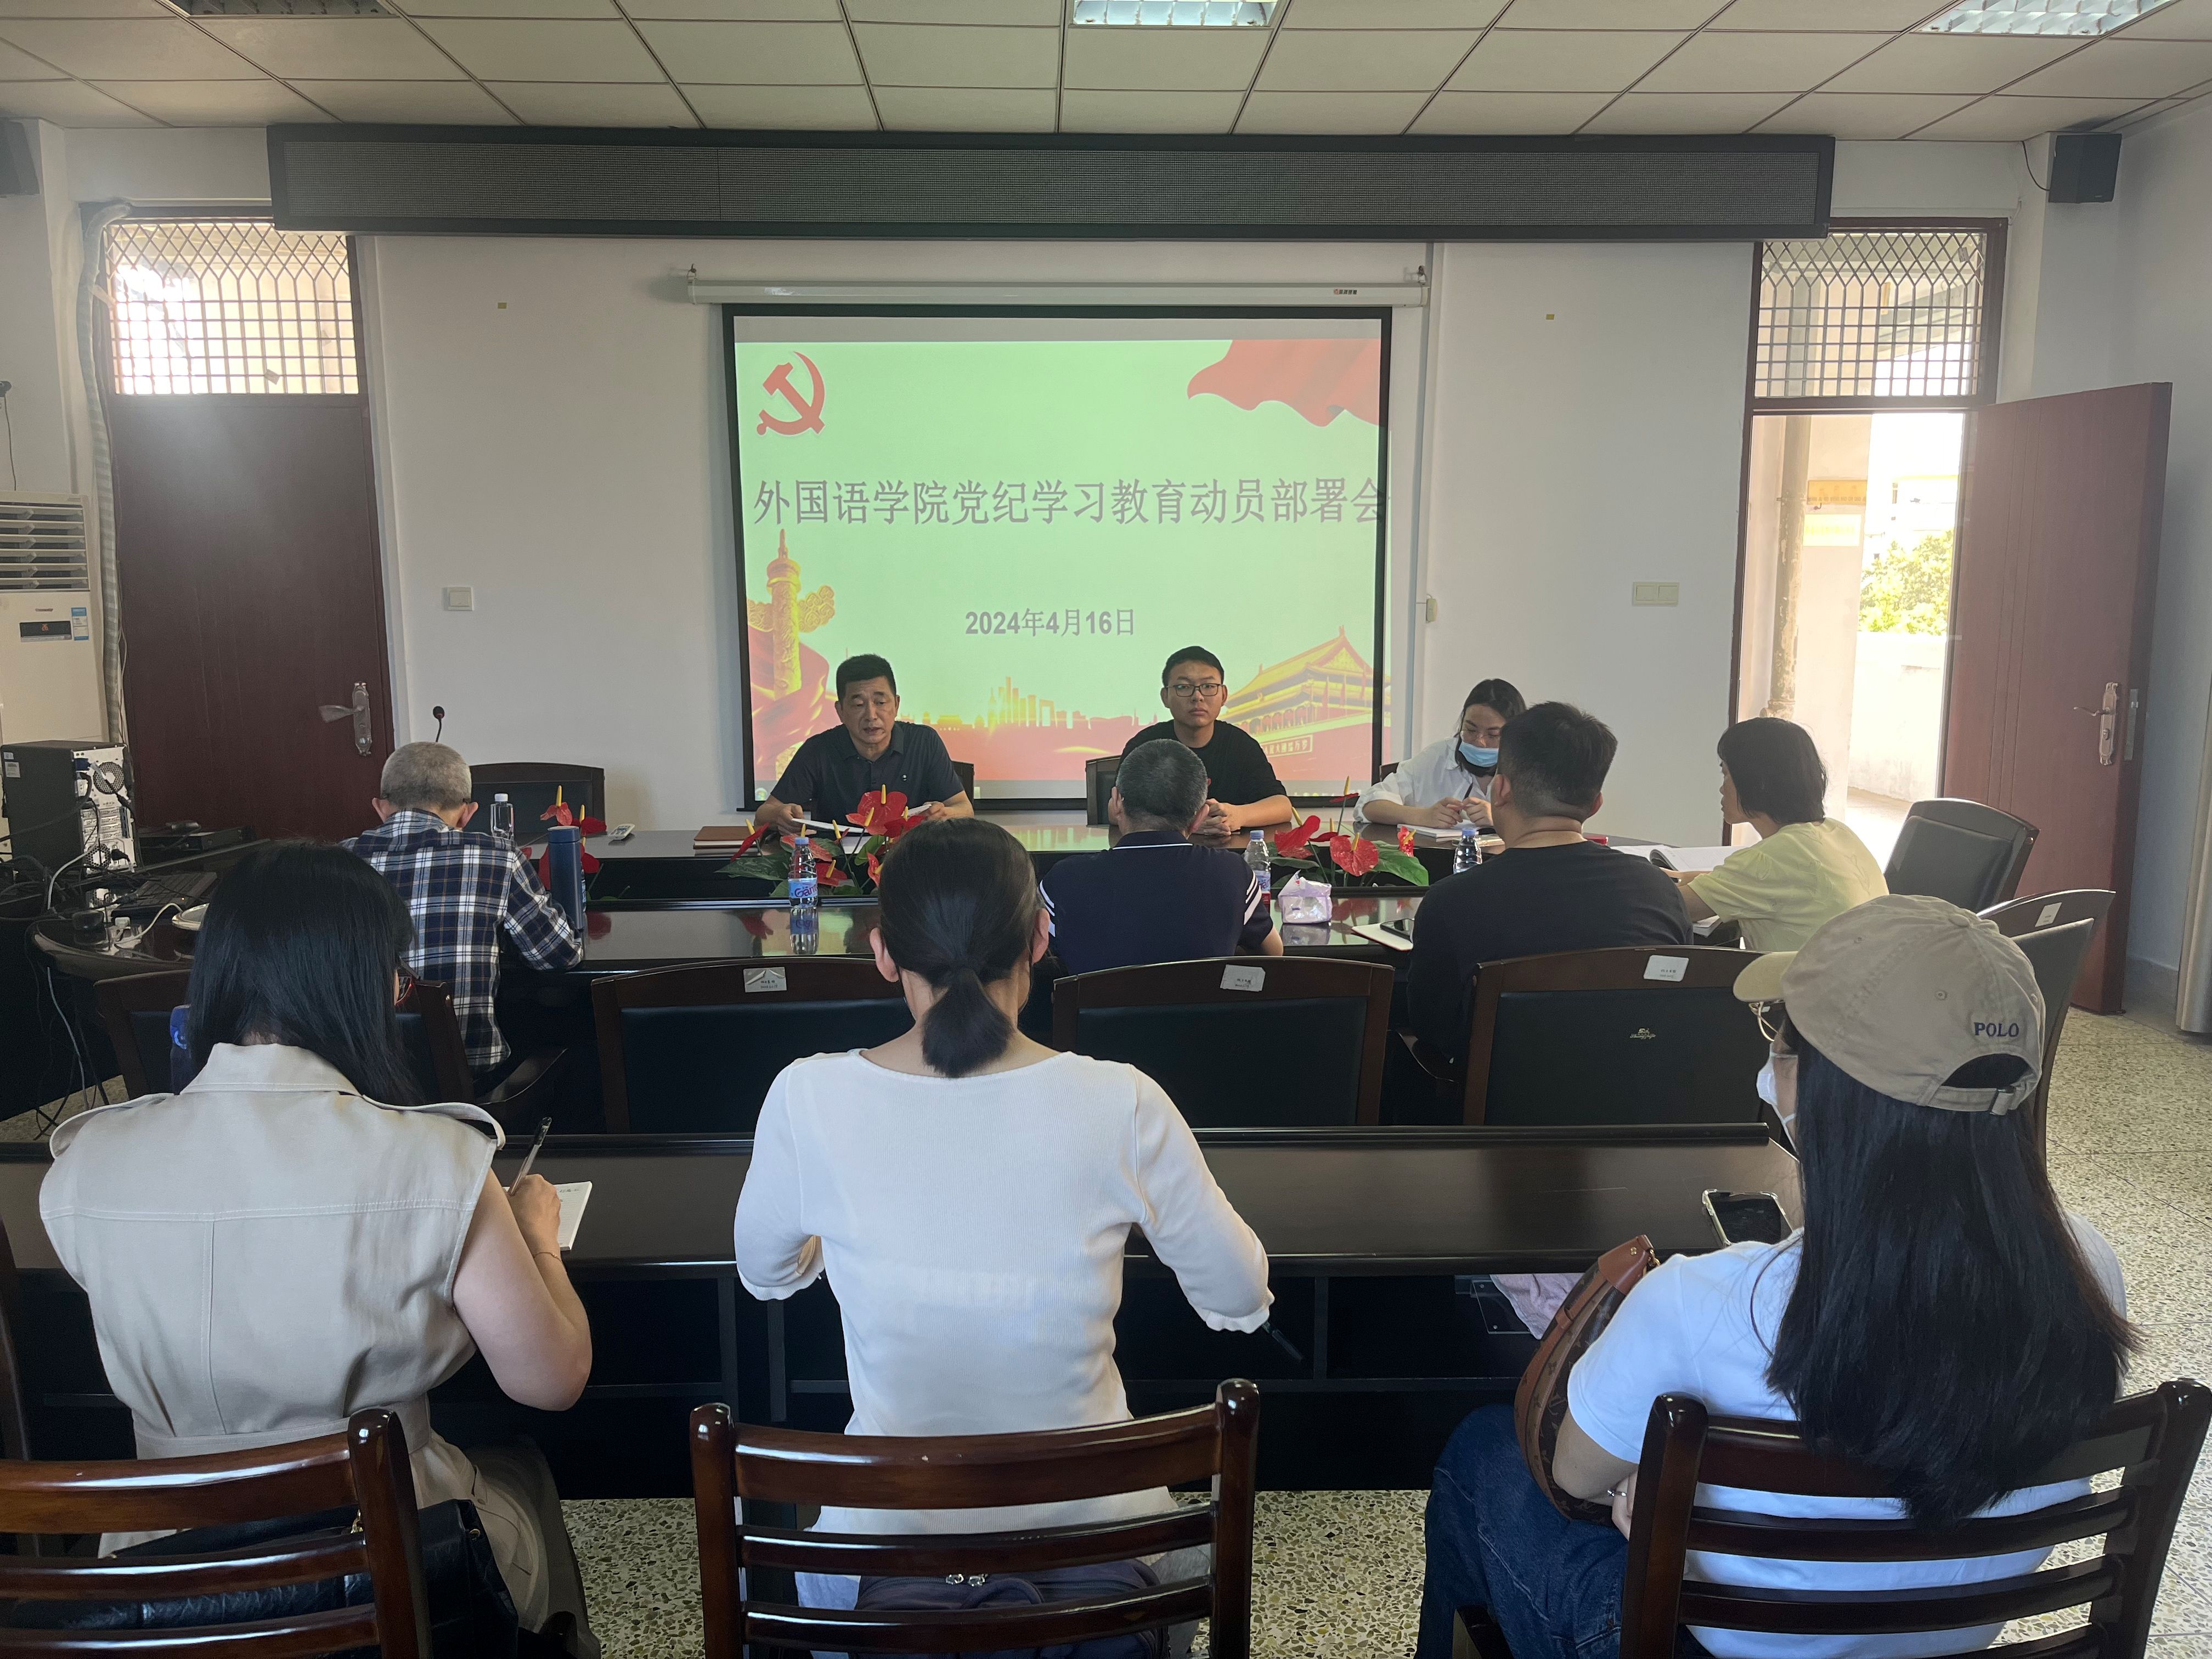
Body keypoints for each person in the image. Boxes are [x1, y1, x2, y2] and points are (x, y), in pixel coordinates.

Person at [1416, 894, 2132, 1659]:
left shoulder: (1706, 1302)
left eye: (1782, 1044)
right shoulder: (2088, 1269)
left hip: (1707, 1648)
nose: (1768, 1071)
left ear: (1822, 1093)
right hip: (1950, 1644)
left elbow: (1574, 1476)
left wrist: (1646, 1488)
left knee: (1482, 1453)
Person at [39, 843, 598, 1643]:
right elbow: (551, 1379)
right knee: (523, 1482)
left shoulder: (87, 1160)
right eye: (397, 974)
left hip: (164, 1584)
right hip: (384, 1565)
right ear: (364, 982)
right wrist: (537, 1238)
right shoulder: (437, 1157)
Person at [732, 816, 1272, 1613]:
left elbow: (766, 1273)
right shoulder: (1122, 1099)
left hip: (882, 1561)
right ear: (1040, 939)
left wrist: (833, 1240)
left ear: (883, 952)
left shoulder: (806, 1096)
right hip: (1103, 1555)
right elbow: (1239, 1297)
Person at [1406, 702, 1690, 1058]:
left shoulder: (1452, 901)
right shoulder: (1659, 891)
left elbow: (1432, 1027)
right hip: (1635, 1088)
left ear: (1500, 790)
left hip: (1500, 1093)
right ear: (1596, 804)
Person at [344, 741, 582, 1081]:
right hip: (468, 1084)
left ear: (380, 808)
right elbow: (559, 955)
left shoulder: (337, 863)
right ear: (467, 814)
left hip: (359, 1084)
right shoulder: (499, 856)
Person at [1041, 737, 1282, 974]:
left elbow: (1036, 959)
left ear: (1116, 803)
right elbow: (1274, 953)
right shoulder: (1233, 873)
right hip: (1200, 1003)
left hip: (1096, 1002)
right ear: (1200, 817)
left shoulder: (1065, 879)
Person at [1672, 717, 1888, 951]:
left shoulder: (1769, 859)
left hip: (1801, 976)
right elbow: (1768, 881)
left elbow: (1670, 909)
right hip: (1866, 971)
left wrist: (1645, 879)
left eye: (1726, 774)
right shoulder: (1839, 833)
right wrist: (1683, 877)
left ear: (1757, 781)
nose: (1722, 788)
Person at [755, 653, 974, 835]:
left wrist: (944, 814)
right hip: (838, 865)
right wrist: (781, 815)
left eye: (881, 702)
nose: (871, 715)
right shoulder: (819, 750)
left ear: (896, 705)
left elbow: (964, 808)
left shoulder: (923, 742)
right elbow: (764, 814)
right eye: (859, 704)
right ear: (840, 711)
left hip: (906, 861)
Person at [1121, 646, 1293, 845]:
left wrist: (1238, 816)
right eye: (1184, 687)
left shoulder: (1241, 745)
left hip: (1230, 853)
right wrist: (1187, 823)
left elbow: (1282, 806)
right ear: (1165, 696)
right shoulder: (1147, 745)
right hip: (1161, 851)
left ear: (1224, 695)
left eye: (1209, 686)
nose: (1198, 697)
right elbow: (1116, 808)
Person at [1358, 678, 1527, 830]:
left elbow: (1544, 825)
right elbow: (1369, 805)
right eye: (1471, 730)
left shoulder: (1529, 767)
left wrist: (1500, 819)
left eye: (1493, 735)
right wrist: (1423, 816)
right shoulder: (1438, 756)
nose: (1479, 741)